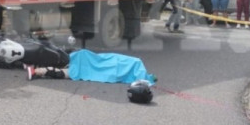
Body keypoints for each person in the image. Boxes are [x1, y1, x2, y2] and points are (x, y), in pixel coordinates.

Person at [25, 48, 157, 85]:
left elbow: (111, 57)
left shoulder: (136, 63)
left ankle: (36, 68)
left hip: (90, 59)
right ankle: (36, 70)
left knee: (65, 62)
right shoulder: (137, 67)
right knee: (67, 72)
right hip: (93, 65)